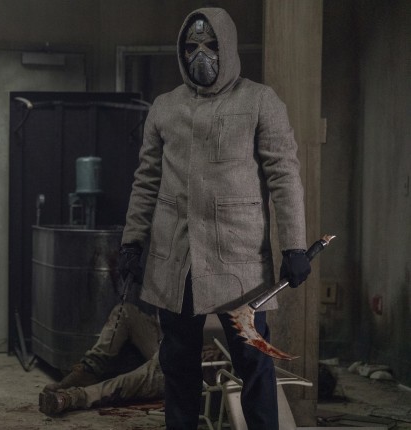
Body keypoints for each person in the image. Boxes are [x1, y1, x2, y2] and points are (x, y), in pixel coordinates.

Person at [118, 7, 311, 430]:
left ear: (227, 46)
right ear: (181, 51)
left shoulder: (259, 101)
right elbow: (146, 181)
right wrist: (132, 242)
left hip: (239, 260)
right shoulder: (165, 107)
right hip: (177, 260)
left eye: (210, 44)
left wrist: (295, 245)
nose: (200, 54)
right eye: (191, 46)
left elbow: (284, 176)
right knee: (178, 364)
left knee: (254, 362)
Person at [38, 301, 228, 416]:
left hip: (198, 365)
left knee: (126, 383)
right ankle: (89, 369)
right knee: (125, 311)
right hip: (178, 340)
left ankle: (71, 397)